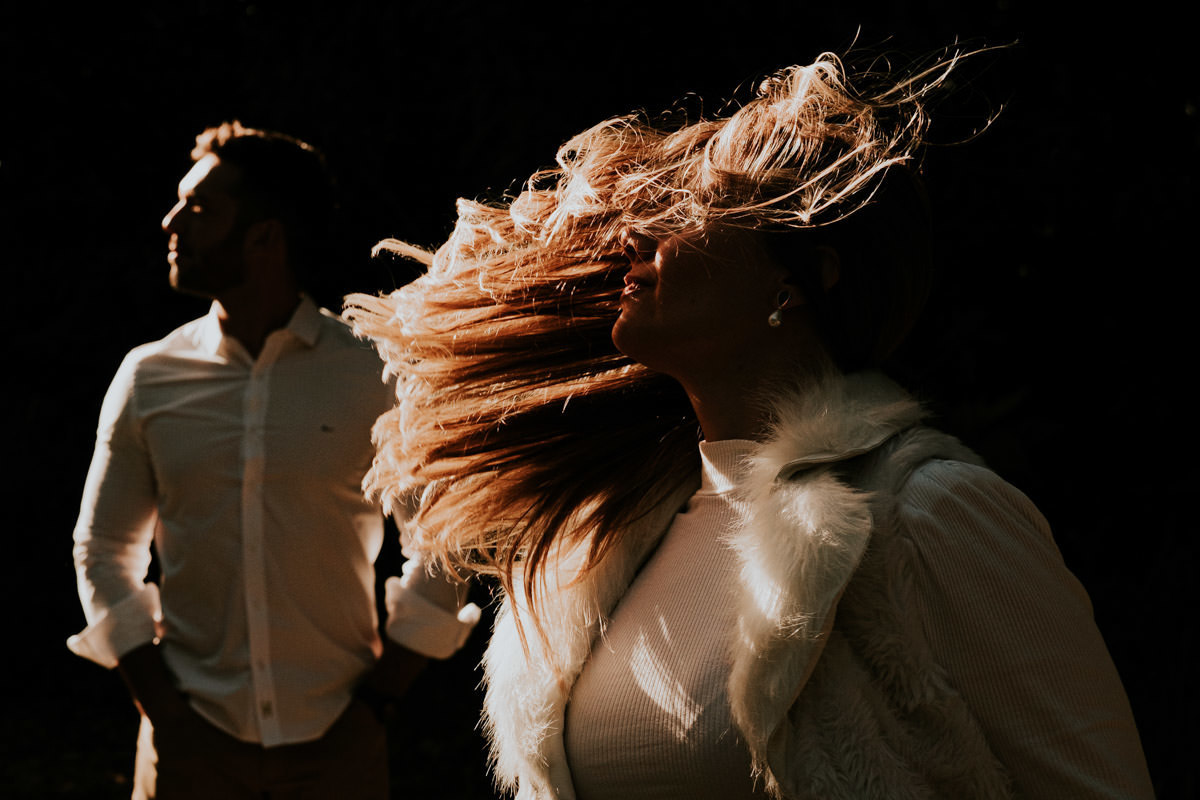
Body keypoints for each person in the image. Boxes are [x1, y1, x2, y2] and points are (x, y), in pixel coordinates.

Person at [345, 50, 1155, 799]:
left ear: (795, 282)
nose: (634, 232)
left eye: (690, 207)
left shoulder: (926, 514)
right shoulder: (600, 537)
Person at [69, 121, 479, 799]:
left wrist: (374, 710)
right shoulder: (148, 376)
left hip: (337, 751)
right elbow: (103, 547)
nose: (172, 221)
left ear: (264, 237)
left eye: (199, 208)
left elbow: (442, 544)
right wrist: (165, 713)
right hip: (187, 749)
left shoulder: (371, 374)